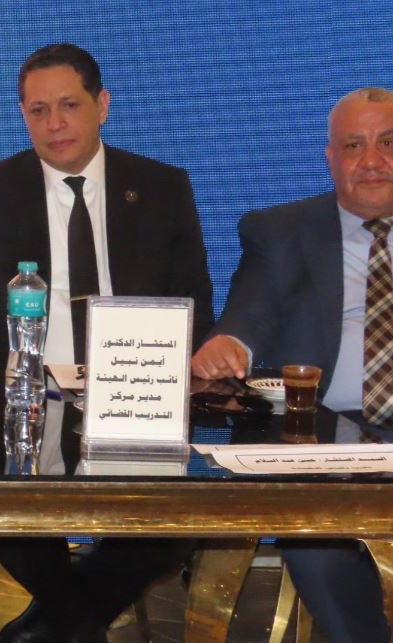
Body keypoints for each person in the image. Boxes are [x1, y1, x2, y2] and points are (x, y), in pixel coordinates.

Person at [0, 43, 213, 642]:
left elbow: (194, 308)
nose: (54, 124)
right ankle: (74, 623)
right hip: (25, 403)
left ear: (102, 106)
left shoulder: (162, 188)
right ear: (23, 116)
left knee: (181, 514)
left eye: (69, 105)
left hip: (136, 401)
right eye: (38, 111)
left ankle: (50, 628)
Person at [191, 87, 393, 643]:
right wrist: (229, 342)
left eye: (388, 142)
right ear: (330, 158)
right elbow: (249, 313)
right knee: (318, 544)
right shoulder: (282, 231)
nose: (372, 160)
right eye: (354, 145)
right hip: (321, 434)